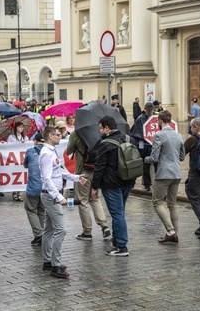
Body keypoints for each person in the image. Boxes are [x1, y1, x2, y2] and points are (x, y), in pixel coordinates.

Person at [39, 125, 87, 278]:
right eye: (57, 134)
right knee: (61, 229)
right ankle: (56, 265)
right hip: (51, 196)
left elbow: (59, 171)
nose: (60, 136)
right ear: (49, 136)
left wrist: (76, 178)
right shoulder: (46, 153)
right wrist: (59, 197)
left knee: (49, 230)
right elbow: (46, 178)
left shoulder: (52, 151)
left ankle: (48, 261)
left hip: (51, 195)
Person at [92, 116, 136, 257]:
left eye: (101, 128)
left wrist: (95, 187)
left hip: (111, 184)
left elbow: (99, 168)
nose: (100, 131)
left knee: (117, 214)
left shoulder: (105, 144)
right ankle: (116, 242)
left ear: (107, 127)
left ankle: (122, 246)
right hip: (127, 181)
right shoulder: (130, 139)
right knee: (120, 212)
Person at [144, 111, 185, 243]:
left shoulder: (159, 135)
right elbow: (182, 156)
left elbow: (154, 157)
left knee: (157, 202)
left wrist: (145, 159)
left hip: (163, 173)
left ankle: (171, 231)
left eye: (158, 122)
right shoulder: (178, 136)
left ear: (160, 121)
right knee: (172, 204)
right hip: (177, 173)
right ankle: (175, 233)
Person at [67, 131, 111, 241]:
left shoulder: (76, 134)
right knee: (95, 199)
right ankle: (104, 225)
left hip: (82, 172)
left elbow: (68, 151)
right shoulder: (98, 133)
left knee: (83, 201)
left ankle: (87, 231)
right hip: (96, 171)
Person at [23, 133, 45, 246]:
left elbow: (25, 165)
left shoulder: (30, 151)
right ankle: (44, 234)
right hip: (46, 187)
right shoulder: (50, 151)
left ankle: (38, 234)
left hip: (34, 187)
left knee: (31, 209)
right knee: (42, 210)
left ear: (35, 141)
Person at [130, 102, 156, 191]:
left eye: (152, 111)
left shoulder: (155, 118)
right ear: (146, 110)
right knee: (146, 165)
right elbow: (135, 132)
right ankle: (147, 184)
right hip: (144, 146)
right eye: (149, 111)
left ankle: (156, 183)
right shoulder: (140, 119)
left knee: (156, 163)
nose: (151, 112)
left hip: (154, 145)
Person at [8, 122, 27, 202]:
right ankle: (14, 192)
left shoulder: (25, 137)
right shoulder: (11, 137)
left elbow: (27, 146)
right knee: (15, 175)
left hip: (21, 159)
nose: (21, 128)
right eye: (19, 127)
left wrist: (24, 143)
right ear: (16, 128)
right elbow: (9, 145)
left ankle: (18, 193)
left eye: (22, 127)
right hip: (14, 159)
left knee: (21, 175)